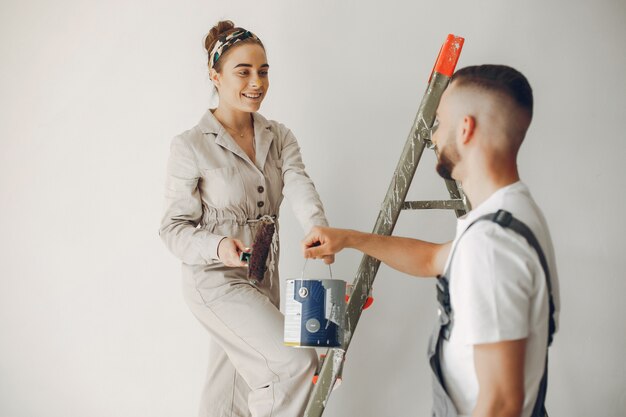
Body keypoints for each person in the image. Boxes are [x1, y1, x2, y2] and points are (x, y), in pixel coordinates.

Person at [302, 65, 560, 417]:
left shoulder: (490, 245)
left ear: (466, 129)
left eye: (438, 122)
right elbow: (431, 259)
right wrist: (348, 238)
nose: (434, 137)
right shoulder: (510, 214)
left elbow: (501, 403)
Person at [159, 20, 332, 417]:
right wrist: (218, 245)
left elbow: (299, 182)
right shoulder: (190, 146)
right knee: (293, 364)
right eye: (244, 71)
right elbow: (172, 229)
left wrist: (316, 226)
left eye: (264, 70)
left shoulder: (279, 136)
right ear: (214, 75)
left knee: (229, 395)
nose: (257, 82)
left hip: (262, 279)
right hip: (215, 282)